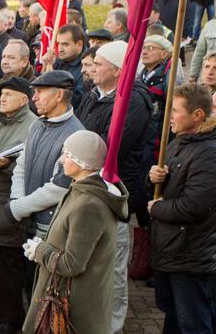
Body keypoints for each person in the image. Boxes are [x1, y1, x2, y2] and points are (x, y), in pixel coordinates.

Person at [74, 40, 152, 331]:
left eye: (99, 65)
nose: (92, 69)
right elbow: (79, 132)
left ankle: (113, 325)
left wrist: (79, 154)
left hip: (113, 193)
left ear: (118, 70)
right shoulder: (94, 94)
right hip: (86, 186)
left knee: (113, 268)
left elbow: (109, 147)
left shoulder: (132, 101)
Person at [23, 131, 129, 334]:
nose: (62, 160)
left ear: (83, 162)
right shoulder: (80, 190)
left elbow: (72, 264)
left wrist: (40, 250)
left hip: (74, 308)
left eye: (68, 154)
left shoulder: (89, 205)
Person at [2, 70, 84, 298]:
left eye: (39, 92)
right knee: (29, 287)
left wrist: (19, 208)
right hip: (28, 223)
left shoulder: (75, 135)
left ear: (59, 95)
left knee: (45, 293)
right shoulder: (37, 124)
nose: (34, 97)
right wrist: (18, 201)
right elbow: (22, 164)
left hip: (50, 230)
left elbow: (59, 187)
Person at [148, 83, 216, 334]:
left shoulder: (209, 153)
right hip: (172, 250)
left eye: (175, 110)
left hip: (191, 255)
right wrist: (154, 178)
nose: (169, 116)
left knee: (193, 323)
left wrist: (156, 208)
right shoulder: (179, 142)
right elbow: (169, 188)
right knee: (174, 315)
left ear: (197, 115)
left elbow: (194, 205)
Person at [0, 77, 37, 334]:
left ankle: (11, 318)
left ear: (24, 99)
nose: (2, 98)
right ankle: (2, 309)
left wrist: (8, 167)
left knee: (9, 263)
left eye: (8, 94)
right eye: (1, 94)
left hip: (10, 202)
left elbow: (30, 169)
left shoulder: (31, 126)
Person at [44, 24, 86, 109]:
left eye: (65, 44)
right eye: (58, 44)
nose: (60, 49)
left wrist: (53, 80)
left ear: (79, 44)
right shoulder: (57, 62)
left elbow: (77, 101)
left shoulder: (86, 67)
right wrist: (44, 67)